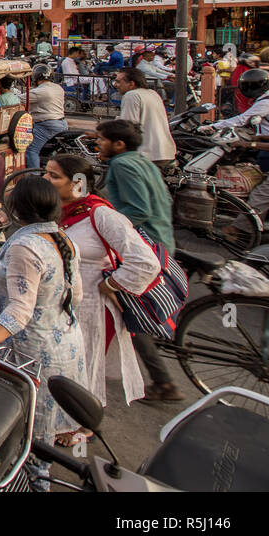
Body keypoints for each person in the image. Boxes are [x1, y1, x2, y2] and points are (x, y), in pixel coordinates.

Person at [0, 174, 87, 484]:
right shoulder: (64, 239)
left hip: (32, 351)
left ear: (18, 210)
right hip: (63, 342)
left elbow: (20, 309)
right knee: (38, 432)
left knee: (28, 436)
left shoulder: (25, 246)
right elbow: (75, 295)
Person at [46, 155, 161, 427]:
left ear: (77, 183)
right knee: (61, 364)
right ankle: (56, 420)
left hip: (92, 309)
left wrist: (108, 284)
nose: (46, 180)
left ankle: (80, 426)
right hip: (61, 303)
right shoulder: (59, 210)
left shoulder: (101, 214)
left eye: (54, 176)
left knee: (84, 365)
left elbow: (145, 262)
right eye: (46, 173)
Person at [93, 118, 183, 402]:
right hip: (162, 240)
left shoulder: (122, 165)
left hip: (143, 247)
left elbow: (138, 209)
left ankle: (163, 381)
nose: (97, 143)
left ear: (118, 144)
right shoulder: (141, 161)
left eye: (101, 139)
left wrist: (107, 228)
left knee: (133, 314)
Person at [114, 68, 176, 165]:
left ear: (131, 83)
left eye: (118, 82)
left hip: (146, 153)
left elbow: (127, 126)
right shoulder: (152, 93)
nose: (115, 85)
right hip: (165, 151)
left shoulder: (132, 95)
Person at [26, 64, 67, 169]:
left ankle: (33, 175)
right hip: (61, 123)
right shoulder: (58, 87)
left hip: (47, 125)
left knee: (31, 150)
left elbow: (20, 99)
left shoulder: (39, 92)